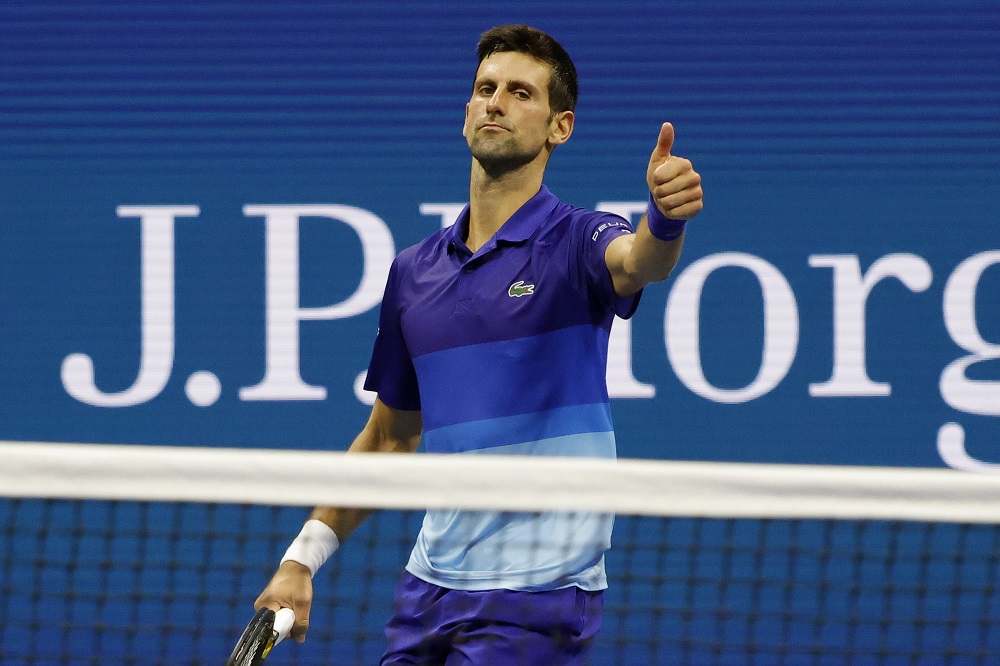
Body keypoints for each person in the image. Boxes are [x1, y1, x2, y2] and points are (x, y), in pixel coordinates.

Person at [254, 23, 703, 665]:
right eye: (485, 89)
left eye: (521, 92)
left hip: (540, 594)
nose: (495, 102)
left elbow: (639, 263)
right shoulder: (415, 271)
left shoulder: (579, 239)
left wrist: (662, 219)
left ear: (560, 126)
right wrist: (301, 560)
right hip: (430, 588)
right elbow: (388, 436)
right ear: (467, 111)